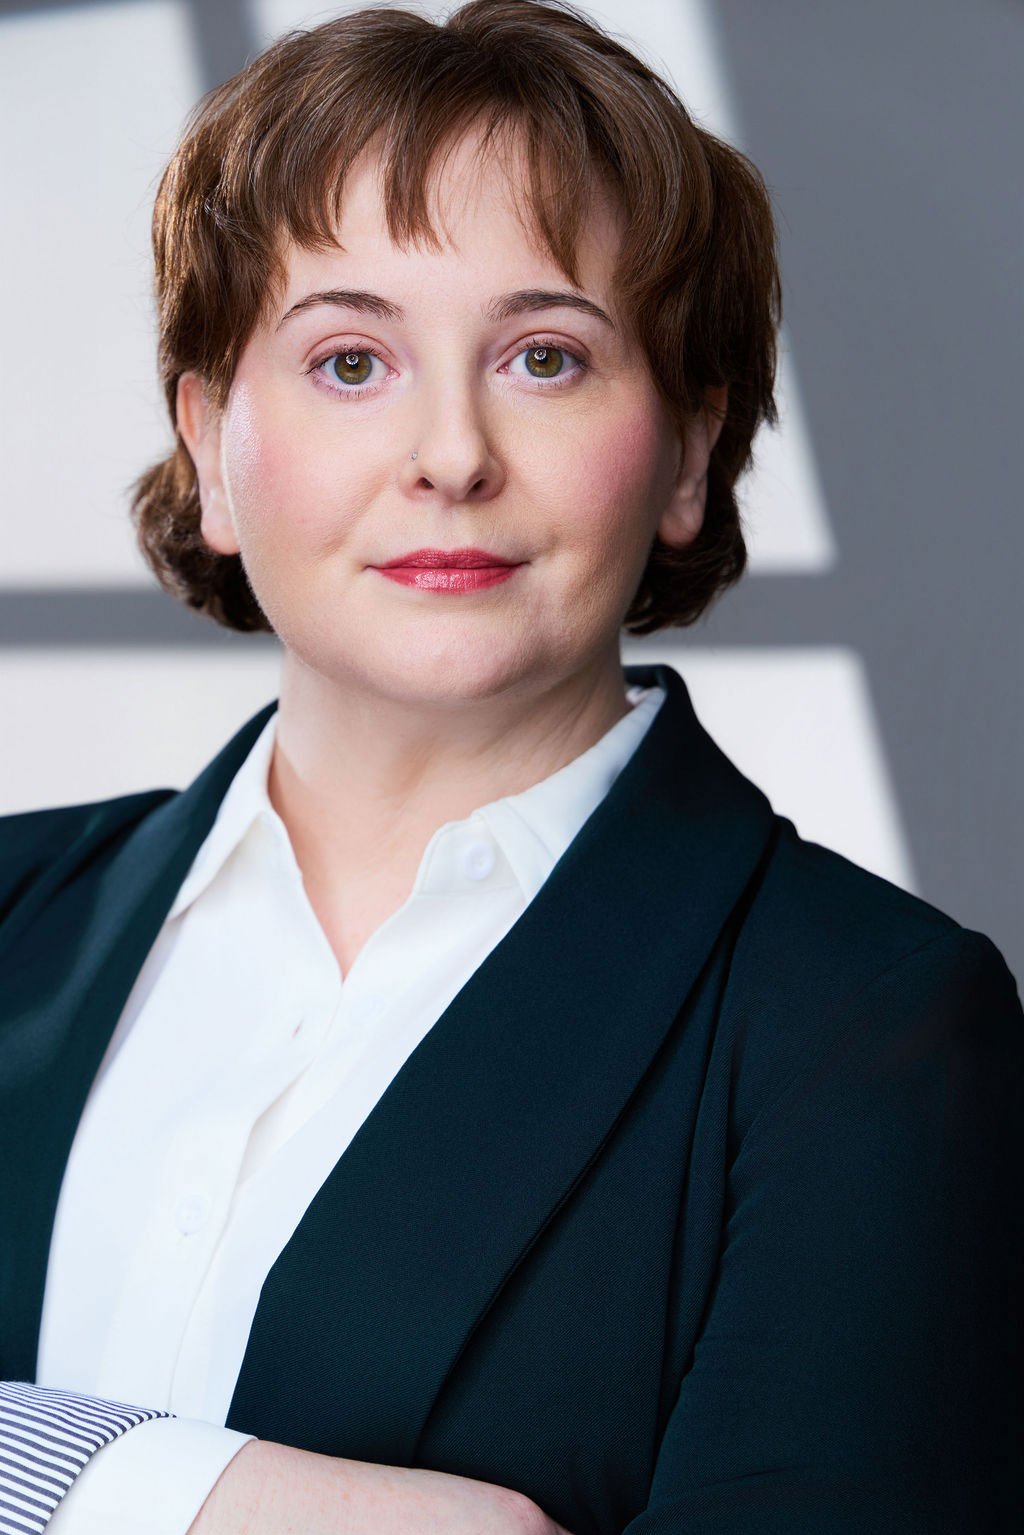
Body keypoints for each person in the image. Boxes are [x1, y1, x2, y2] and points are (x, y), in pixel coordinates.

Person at [0, 0, 1020, 1531]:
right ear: (211, 444)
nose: (451, 452)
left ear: (686, 451)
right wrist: (186, 1495)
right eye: (351, 361)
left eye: (545, 357)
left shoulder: (869, 1032)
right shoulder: (11, 908)